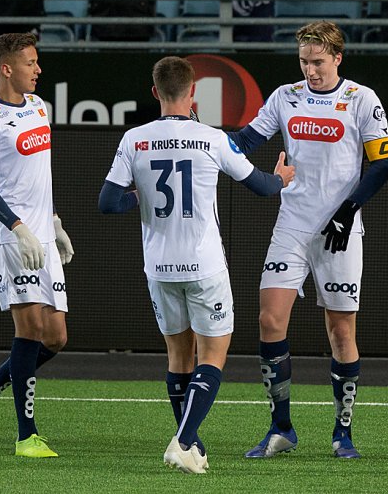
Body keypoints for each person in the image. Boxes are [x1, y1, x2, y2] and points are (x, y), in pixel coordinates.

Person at [98, 56, 295, 474]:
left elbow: (108, 202)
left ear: (155, 92)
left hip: (159, 267)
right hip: (204, 265)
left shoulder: (135, 139)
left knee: (177, 358)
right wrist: (281, 178)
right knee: (213, 355)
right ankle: (184, 440)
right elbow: (261, 187)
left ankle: (193, 444)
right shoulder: (212, 138)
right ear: (193, 93)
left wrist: (140, 196)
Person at [227, 20, 388, 460]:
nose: (310, 70)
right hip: (293, 223)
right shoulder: (285, 97)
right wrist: (203, 141)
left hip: (340, 229)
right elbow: (244, 141)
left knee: (341, 332)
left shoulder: (362, 99)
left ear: (338, 58)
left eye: (318, 62)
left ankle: (343, 433)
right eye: (304, 61)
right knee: (269, 321)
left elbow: (381, 165)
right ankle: (281, 427)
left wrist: (348, 209)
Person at [0, 32, 75, 458]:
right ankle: (26, 435)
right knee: (29, 330)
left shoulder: (39, 108)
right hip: (11, 237)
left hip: (42, 233)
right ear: (6, 68)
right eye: (31, 62)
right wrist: (19, 228)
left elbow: (36, 177)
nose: (38, 69)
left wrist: (54, 223)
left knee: (57, 337)